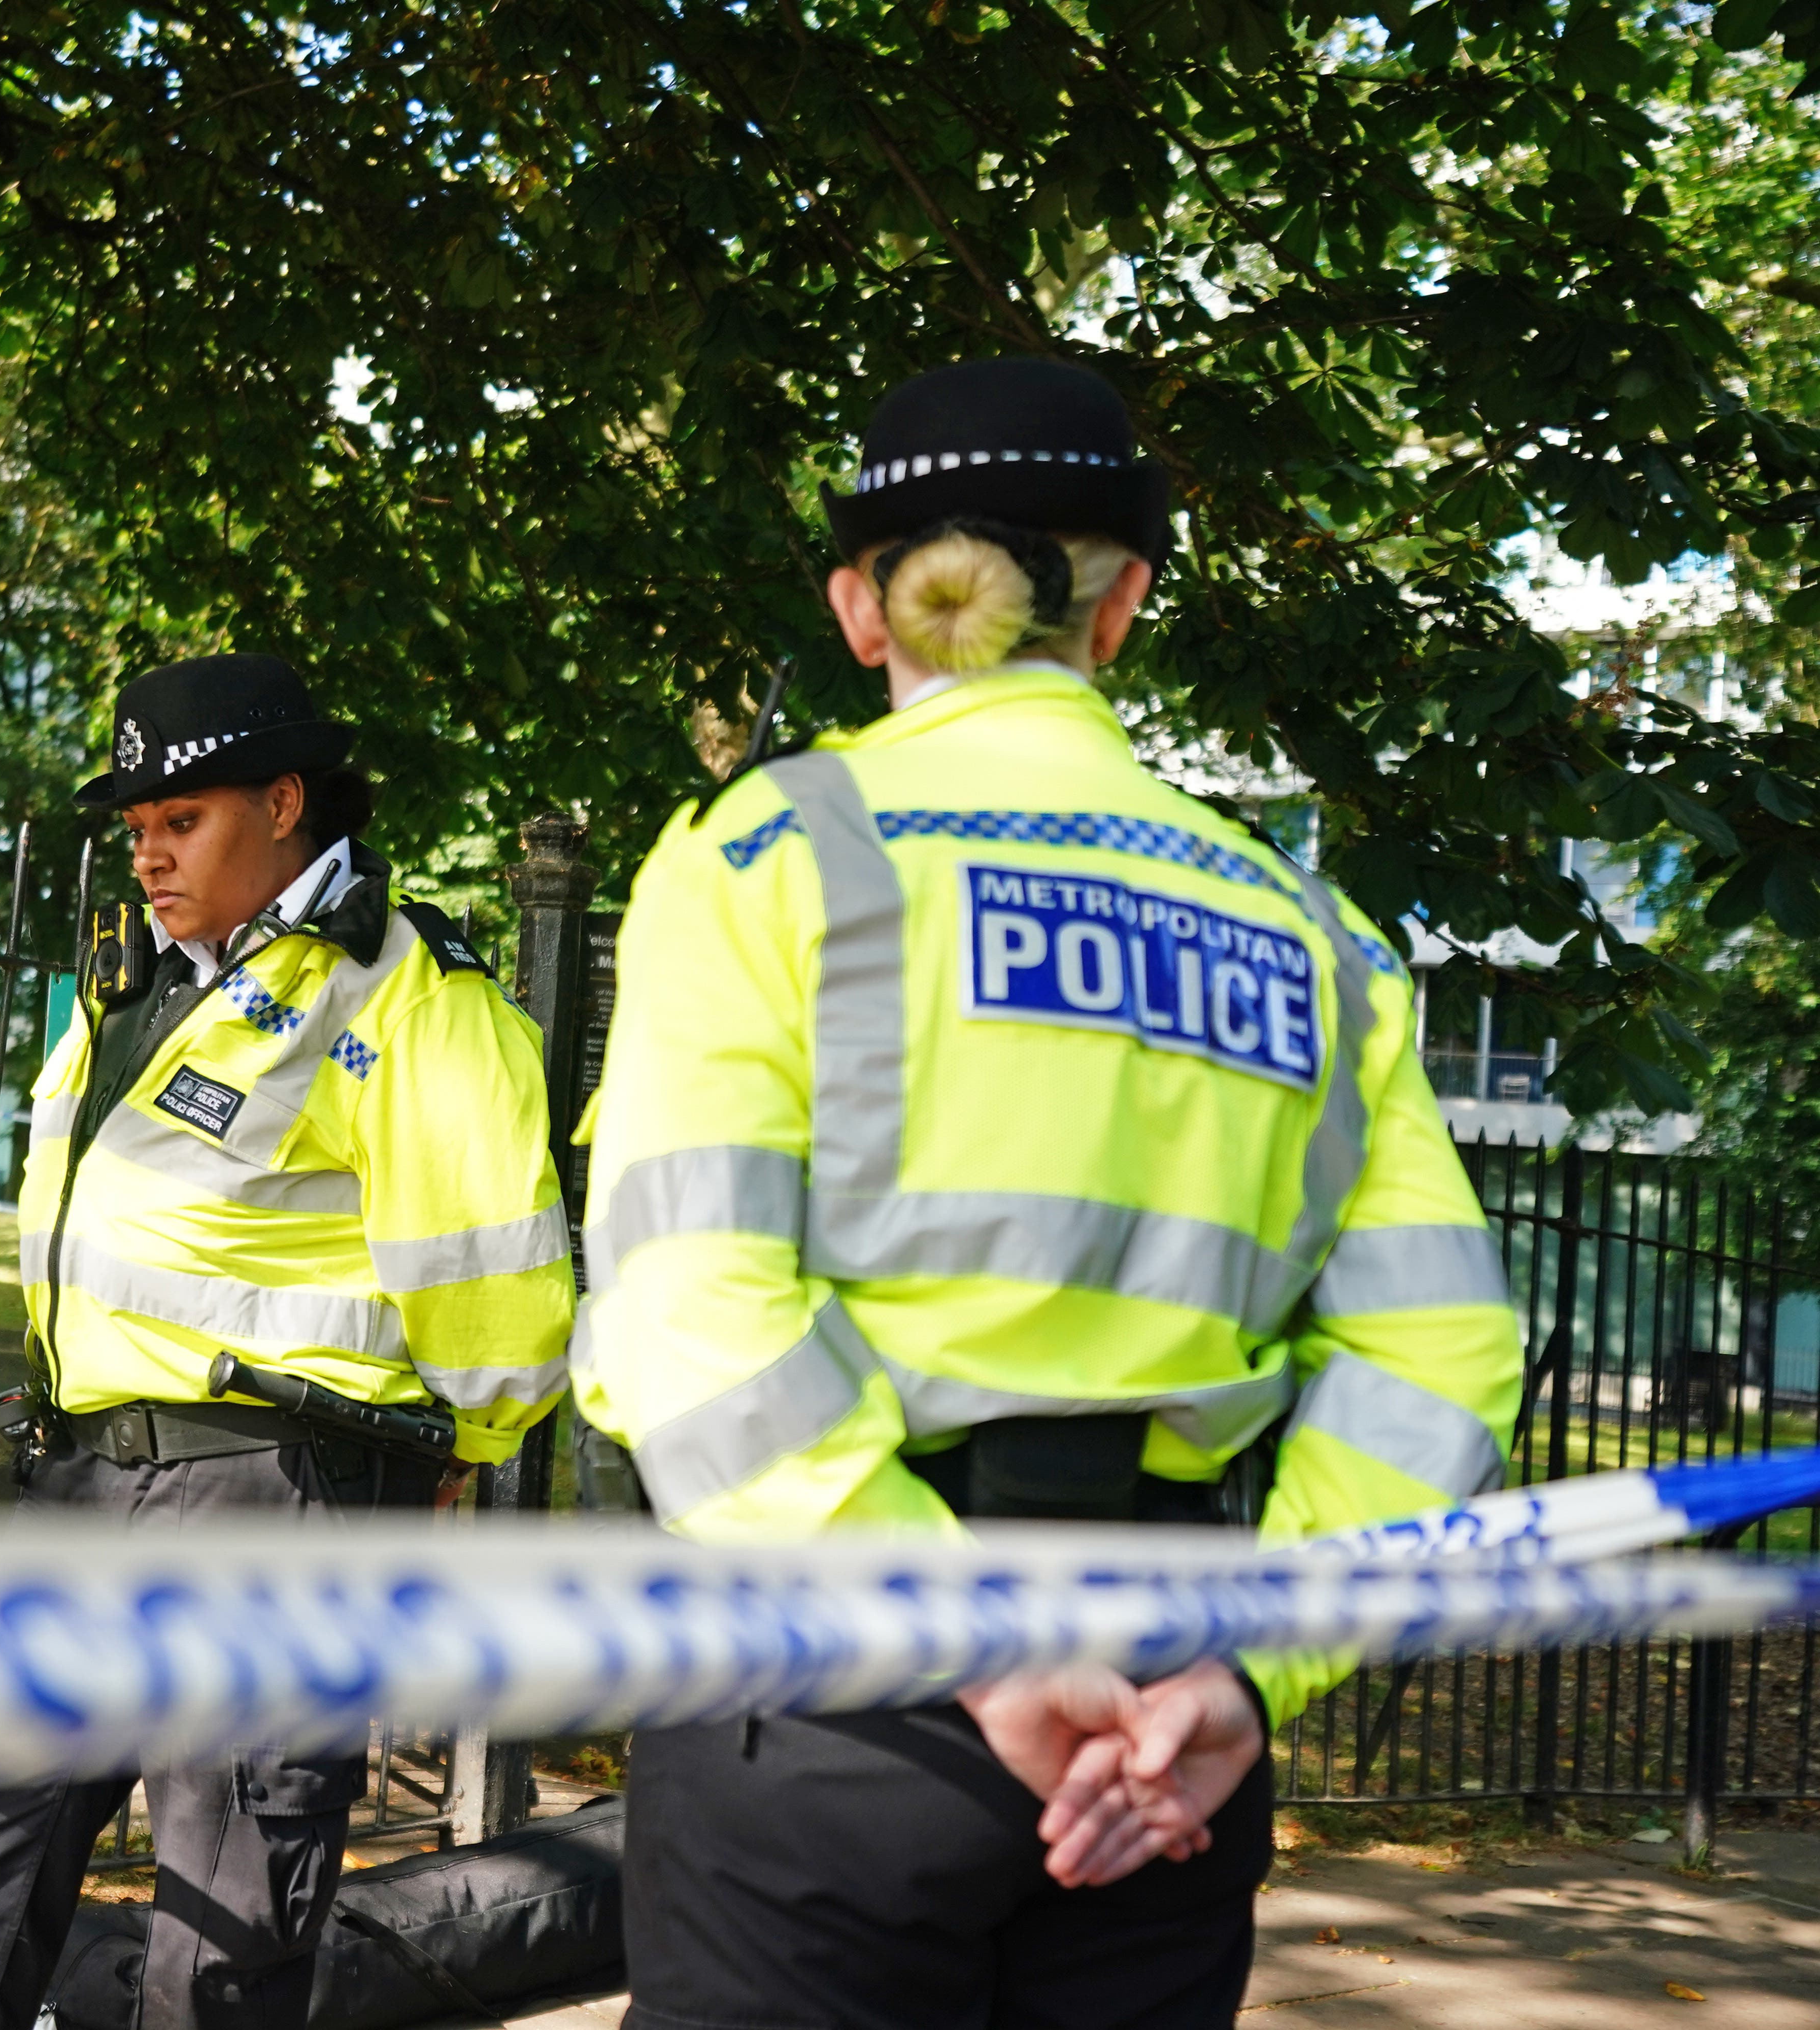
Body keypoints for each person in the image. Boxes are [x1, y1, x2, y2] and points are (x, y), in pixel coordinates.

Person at [573, 358, 1524, 2029]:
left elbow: (688, 1308)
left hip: (833, 1682)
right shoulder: (1317, 938)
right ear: (1126, 603)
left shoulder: (767, 856)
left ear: (865, 608)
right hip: (1168, 1714)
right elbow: (1443, 1361)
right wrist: (1250, 1672)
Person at [0, 652, 576, 2030]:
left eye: (182, 822)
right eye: (136, 832)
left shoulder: (408, 996)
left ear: (286, 804)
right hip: (84, 1483)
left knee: (222, 1947)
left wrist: (459, 1451)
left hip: (276, 1501)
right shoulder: (136, 990)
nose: (151, 857)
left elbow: (499, 1292)